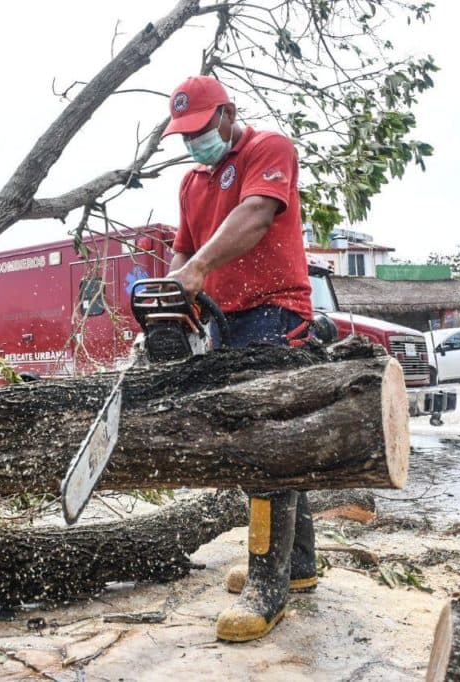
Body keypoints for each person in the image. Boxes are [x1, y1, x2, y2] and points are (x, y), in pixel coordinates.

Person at [162, 75, 316, 643]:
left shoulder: (267, 149)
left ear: (226, 115)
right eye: (184, 135)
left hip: (275, 310)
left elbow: (255, 214)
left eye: (200, 130)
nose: (193, 143)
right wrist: (175, 289)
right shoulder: (191, 182)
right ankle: (297, 564)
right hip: (226, 319)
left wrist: (198, 271)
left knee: (264, 444)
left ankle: (266, 584)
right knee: (272, 445)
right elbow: (183, 246)